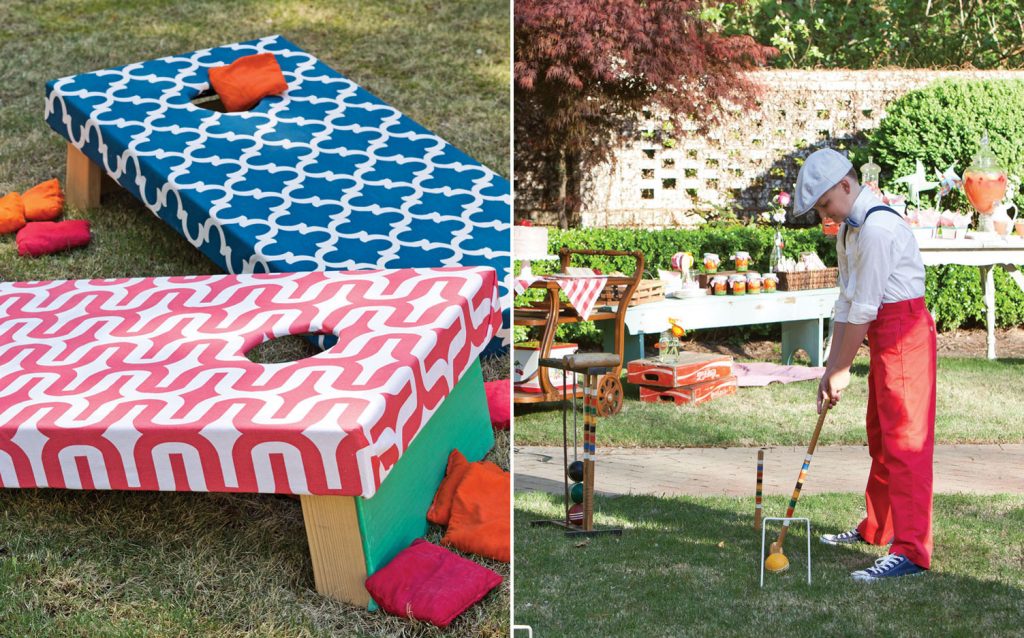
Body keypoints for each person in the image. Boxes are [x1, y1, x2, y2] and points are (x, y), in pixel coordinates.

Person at [793, 148, 937, 582]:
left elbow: (865, 309)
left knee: (907, 443)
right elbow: (845, 303)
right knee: (881, 434)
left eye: (825, 205)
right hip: (881, 333)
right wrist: (829, 367)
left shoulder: (875, 229)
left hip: (905, 333)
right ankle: (878, 528)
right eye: (818, 210)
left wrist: (842, 370)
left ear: (845, 184)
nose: (824, 216)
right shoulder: (848, 232)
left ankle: (911, 549)